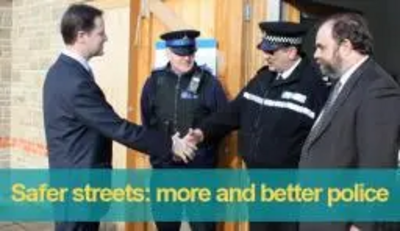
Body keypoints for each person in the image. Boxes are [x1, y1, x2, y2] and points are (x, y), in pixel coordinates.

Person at [42, 4, 195, 231]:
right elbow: (119, 128)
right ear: (81, 36)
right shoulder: (74, 82)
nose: (106, 38)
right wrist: (170, 144)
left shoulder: (63, 71)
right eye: (101, 33)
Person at [186, 21, 330, 231]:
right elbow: (233, 112)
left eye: (271, 51)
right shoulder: (263, 78)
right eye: (265, 50)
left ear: (291, 52)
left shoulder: (315, 86)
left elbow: (328, 141)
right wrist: (200, 133)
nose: (266, 55)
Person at [298, 13, 400, 231]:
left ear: (345, 46)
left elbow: (377, 166)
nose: (315, 54)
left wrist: (362, 224)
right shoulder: (344, 81)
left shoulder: (378, 88)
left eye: (321, 47)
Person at [140, 29, 227, 231]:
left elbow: (222, 123)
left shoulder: (210, 83)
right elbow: (148, 124)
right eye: (180, 53)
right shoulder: (153, 83)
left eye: (190, 52)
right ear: (168, 53)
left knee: (204, 227)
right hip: (165, 173)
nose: (187, 58)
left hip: (200, 173)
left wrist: (201, 141)